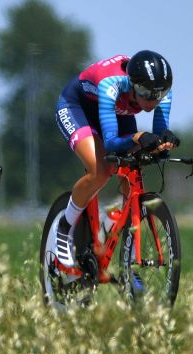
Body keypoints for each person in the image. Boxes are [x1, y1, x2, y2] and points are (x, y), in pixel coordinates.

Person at [52, 51, 179, 268]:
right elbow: (111, 143)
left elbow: (157, 135)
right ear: (133, 84)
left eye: (158, 94)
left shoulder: (160, 91)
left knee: (134, 169)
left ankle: (124, 250)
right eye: (146, 93)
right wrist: (139, 137)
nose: (152, 100)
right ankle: (64, 227)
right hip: (77, 107)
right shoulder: (111, 84)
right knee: (100, 170)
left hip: (118, 112)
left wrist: (163, 142)